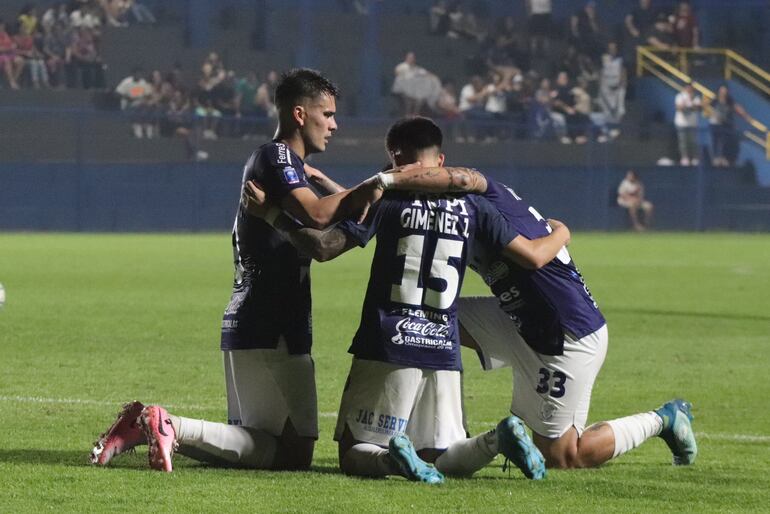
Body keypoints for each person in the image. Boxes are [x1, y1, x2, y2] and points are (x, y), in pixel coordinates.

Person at [241, 117, 573, 483]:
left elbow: (322, 247)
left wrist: (270, 213)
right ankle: (496, 440)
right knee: (440, 455)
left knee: (354, 452)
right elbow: (532, 255)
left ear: (394, 160)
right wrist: (562, 232)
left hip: (388, 341)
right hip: (443, 346)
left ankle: (391, 459)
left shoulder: (386, 197)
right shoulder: (475, 206)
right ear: (440, 161)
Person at [90, 68, 384, 472]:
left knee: (270, 445)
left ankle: (147, 426)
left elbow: (323, 230)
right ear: (300, 114)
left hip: (254, 316)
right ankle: (168, 424)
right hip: (273, 318)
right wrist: (377, 185)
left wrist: (356, 194)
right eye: (327, 114)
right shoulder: (277, 157)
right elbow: (319, 219)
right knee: (294, 453)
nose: (334, 125)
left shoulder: (285, 167)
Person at [707, 85, 752, 167]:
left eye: (725, 92)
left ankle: (723, 158)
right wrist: (714, 114)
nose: (723, 93)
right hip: (715, 124)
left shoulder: (729, 101)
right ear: (719, 92)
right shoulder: (715, 101)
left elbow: (737, 108)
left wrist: (746, 116)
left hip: (724, 124)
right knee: (715, 141)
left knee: (725, 141)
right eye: (721, 91)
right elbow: (708, 107)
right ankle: (716, 158)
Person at [674, 83, 701, 166]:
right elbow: (679, 108)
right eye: (688, 88)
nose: (689, 89)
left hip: (692, 123)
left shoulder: (696, 97)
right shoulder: (680, 96)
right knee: (683, 142)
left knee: (693, 141)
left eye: (691, 88)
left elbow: (697, 108)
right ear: (685, 88)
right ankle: (684, 158)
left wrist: (691, 103)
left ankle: (695, 158)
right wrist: (686, 103)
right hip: (681, 123)